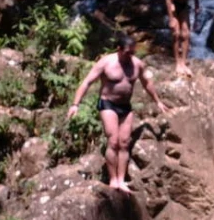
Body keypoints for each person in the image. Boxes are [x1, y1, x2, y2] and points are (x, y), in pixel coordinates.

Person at [67, 36, 168, 192]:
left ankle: (121, 180)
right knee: (113, 142)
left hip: (125, 107)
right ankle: (113, 179)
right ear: (119, 49)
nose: (130, 56)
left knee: (124, 143)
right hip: (108, 104)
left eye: (133, 52)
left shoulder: (137, 64)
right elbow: (87, 82)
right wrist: (75, 104)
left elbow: (147, 83)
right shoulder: (106, 63)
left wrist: (158, 101)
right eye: (128, 52)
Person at [165, 0, 201, 77]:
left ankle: (184, 62)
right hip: (174, 5)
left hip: (184, 6)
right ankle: (177, 63)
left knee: (186, 34)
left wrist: (196, 13)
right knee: (176, 34)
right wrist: (171, 18)